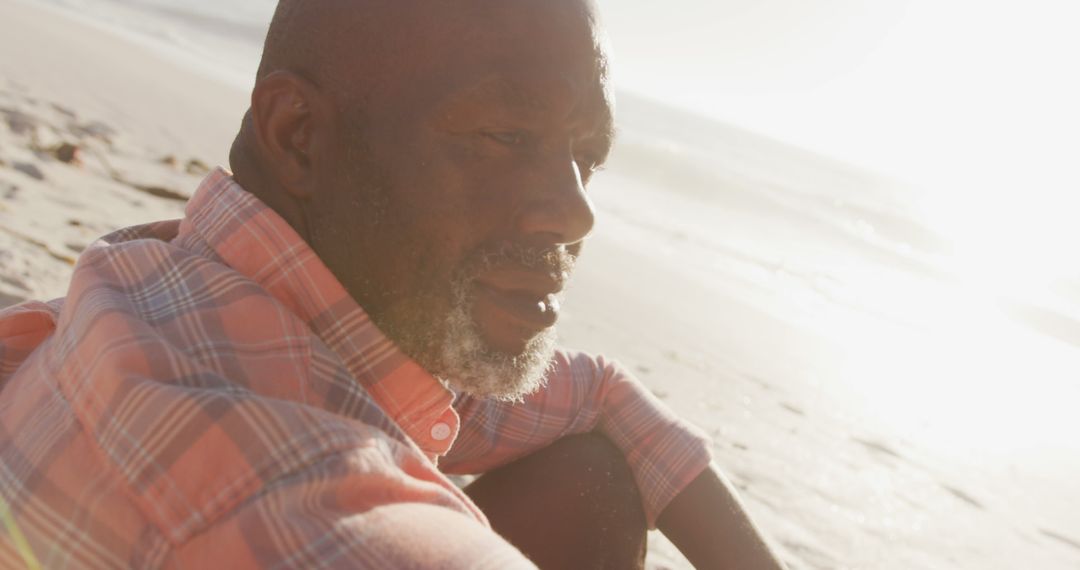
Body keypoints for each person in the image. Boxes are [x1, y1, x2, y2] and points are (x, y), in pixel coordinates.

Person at [0, 0, 785, 568]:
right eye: (507, 136)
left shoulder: (181, 281)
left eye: (588, 158)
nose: (575, 215)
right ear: (297, 135)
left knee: (592, 477)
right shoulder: (312, 521)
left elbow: (604, 396)